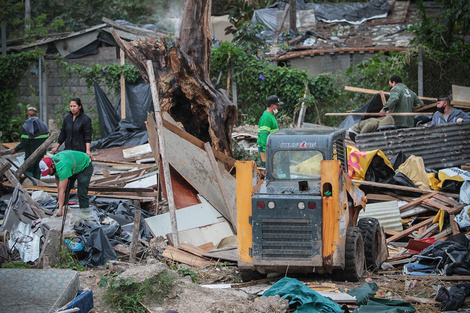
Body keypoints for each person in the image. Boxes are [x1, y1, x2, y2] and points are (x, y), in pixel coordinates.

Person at [39, 150, 93, 217]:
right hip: (71, 166)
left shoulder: (62, 167)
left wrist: (60, 209)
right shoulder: (53, 163)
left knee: (82, 191)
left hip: (84, 165)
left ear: (52, 166)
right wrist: (59, 205)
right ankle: (60, 210)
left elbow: (62, 190)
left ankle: (85, 214)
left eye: (48, 171)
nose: (48, 174)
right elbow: (59, 186)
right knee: (66, 189)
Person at [11, 107, 49, 179]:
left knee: (28, 171)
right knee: (38, 171)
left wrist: (16, 149)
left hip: (30, 155)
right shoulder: (43, 126)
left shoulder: (26, 126)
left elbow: (24, 142)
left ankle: (30, 187)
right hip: (41, 155)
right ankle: (37, 187)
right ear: (36, 114)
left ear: (27, 114)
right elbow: (47, 140)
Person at [257, 95, 283, 167]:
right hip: (266, 150)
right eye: (277, 105)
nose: (278, 107)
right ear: (272, 105)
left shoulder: (270, 116)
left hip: (271, 148)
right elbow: (264, 135)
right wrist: (267, 151)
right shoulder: (266, 118)